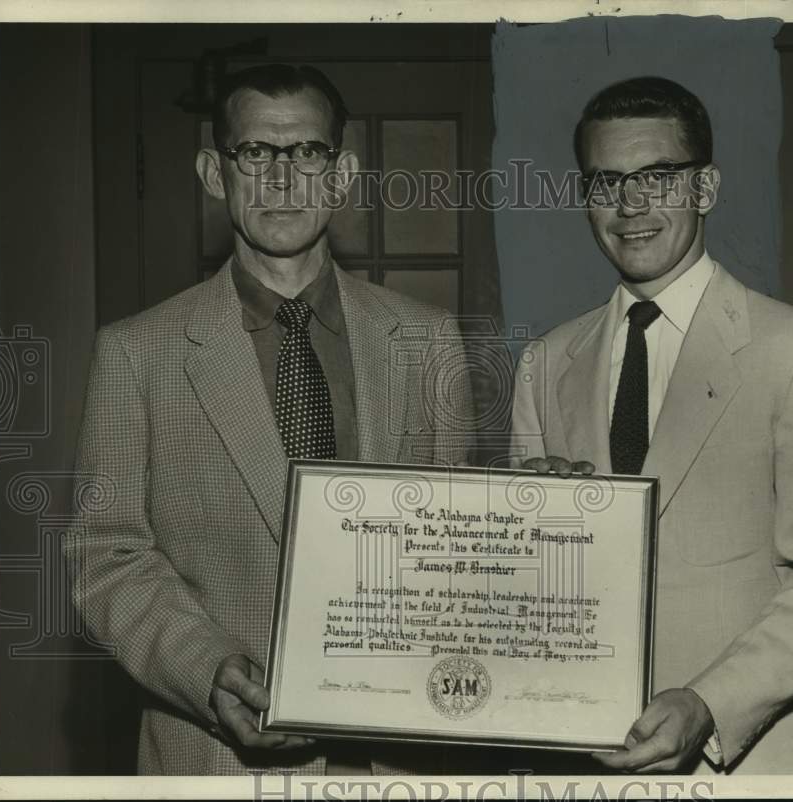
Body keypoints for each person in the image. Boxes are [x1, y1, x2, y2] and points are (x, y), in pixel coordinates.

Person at [65, 63, 473, 775]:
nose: (283, 179)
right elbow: (107, 555)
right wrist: (208, 669)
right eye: (257, 152)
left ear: (341, 174)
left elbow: (458, 554)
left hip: (393, 760)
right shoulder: (137, 353)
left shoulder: (429, 340)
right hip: (214, 759)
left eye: (307, 153)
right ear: (214, 171)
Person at [509, 76, 793, 774]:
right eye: (606, 181)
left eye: (658, 177)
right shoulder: (545, 363)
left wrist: (708, 702)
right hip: (578, 759)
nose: (631, 205)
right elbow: (529, 597)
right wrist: (532, 527)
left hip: (740, 762)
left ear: (705, 189)